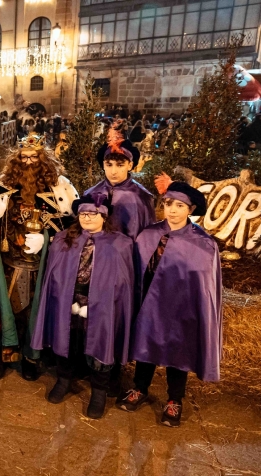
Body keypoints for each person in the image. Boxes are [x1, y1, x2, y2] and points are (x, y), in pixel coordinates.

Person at [117, 178, 221, 427]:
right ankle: (140, 388)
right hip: (148, 303)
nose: (172, 210)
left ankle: (175, 399)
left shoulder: (203, 243)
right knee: (145, 345)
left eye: (179, 205)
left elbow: (205, 286)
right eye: (168, 203)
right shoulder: (149, 234)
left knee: (179, 352)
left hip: (181, 309)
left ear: (190, 209)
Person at [31, 193, 134, 419]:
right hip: (67, 301)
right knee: (68, 340)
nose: (87, 218)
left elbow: (123, 282)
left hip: (103, 306)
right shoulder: (63, 238)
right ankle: (64, 379)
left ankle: (99, 390)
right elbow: (54, 274)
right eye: (83, 214)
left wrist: (102, 299)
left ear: (104, 216)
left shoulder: (120, 244)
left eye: (93, 214)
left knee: (100, 346)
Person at [0, 132, 79, 380]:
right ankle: (4, 356)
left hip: (42, 266)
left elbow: (73, 225)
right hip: (8, 263)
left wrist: (46, 239)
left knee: (34, 313)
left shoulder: (60, 187)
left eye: (33, 157)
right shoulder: (3, 185)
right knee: (7, 309)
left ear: (43, 158)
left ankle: (31, 357)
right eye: (24, 158)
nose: (28, 163)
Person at [87, 125, 156, 395]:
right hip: (95, 267)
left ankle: (115, 369)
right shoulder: (93, 193)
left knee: (117, 317)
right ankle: (92, 363)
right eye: (108, 163)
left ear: (131, 165)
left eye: (120, 163)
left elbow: (145, 237)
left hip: (125, 270)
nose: (113, 170)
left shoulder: (141, 197)